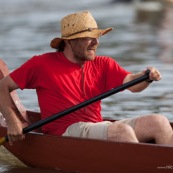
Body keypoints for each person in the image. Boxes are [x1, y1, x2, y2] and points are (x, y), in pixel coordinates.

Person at [0, 10, 173, 146]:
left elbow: (133, 84)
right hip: (63, 132)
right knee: (121, 131)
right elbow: (2, 87)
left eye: (97, 37)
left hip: (94, 126)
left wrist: (146, 77)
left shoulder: (103, 64)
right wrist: (13, 121)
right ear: (69, 41)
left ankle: (166, 166)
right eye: (88, 38)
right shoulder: (42, 64)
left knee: (159, 122)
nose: (96, 42)